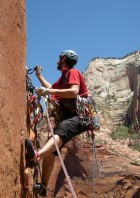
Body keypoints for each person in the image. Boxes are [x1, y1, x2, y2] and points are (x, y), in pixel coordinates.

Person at [26, 50, 89, 197]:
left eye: (59, 59)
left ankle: (36, 156)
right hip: (69, 117)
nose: (56, 61)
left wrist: (47, 91)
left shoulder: (73, 72)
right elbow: (51, 88)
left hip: (79, 117)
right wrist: (39, 75)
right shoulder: (62, 79)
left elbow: (74, 92)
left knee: (62, 129)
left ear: (64, 59)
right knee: (51, 149)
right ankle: (43, 186)